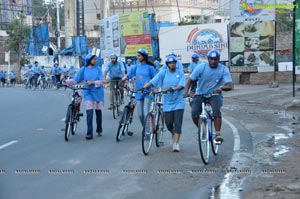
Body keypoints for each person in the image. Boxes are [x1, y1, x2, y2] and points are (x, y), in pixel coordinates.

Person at [184, 49, 233, 142]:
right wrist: (186, 92)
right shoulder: (201, 67)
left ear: (219, 59)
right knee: (194, 113)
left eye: (216, 59)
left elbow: (230, 85)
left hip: (214, 94)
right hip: (200, 93)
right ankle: (202, 129)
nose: (214, 61)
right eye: (212, 59)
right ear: (208, 59)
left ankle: (218, 134)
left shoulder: (223, 69)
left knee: (216, 110)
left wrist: (221, 88)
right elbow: (190, 80)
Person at [143, 55, 186, 152]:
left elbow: (181, 85)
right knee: (169, 123)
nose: (172, 64)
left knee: (178, 123)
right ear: (167, 64)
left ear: (176, 63)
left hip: (179, 101)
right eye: (170, 63)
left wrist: (173, 89)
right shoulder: (163, 73)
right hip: (168, 102)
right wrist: (144, 87)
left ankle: (176, 143)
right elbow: (153, 81)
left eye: (174, 62)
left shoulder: (180, 73)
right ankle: (173, 133)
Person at [62, 53, 106, 140]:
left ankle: (99, 129)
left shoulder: (98, 69)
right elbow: (76, 80)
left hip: (98, 92)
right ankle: (89, 133)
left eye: (96, 59)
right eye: (94, 59)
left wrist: (93, 82)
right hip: (88, 93)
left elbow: (103, 81)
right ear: (89, 60)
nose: (95, 61)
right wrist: (65, 81)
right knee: (89, 113)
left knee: (98, 113)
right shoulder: (84, 69)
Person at [122, 49, 157, 127]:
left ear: (144, 56)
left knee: (146, 113)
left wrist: (153, 87)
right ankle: (145, 128)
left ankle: (147, 132)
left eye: (139, 56)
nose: (137, 57)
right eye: (137, 55)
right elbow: (129, 75)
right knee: (140, 114)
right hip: (138, 92)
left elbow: (155, 79)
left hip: (148, 92)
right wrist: (124, 78)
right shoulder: (136, 66)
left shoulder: (150, 67)